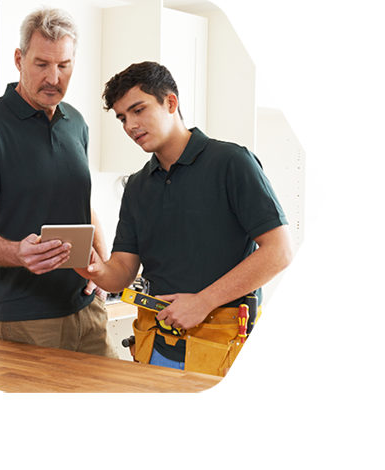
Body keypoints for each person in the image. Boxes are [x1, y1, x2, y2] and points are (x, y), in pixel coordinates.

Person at [75, 61, 292, 374]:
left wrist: (203, 302)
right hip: (155, 344)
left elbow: (279, 252)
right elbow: (122, 270)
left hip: (222, 345)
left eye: (138, 110)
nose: (130, 125)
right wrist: (95, 268)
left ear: (170, 102)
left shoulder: (231, 162)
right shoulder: (137, 184)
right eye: (122, 118)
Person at [0, 7, 118, 358]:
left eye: (64, 65)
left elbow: (82, 201)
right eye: (42, 64)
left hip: (87, 307)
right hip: (28, 318)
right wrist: (18, 252)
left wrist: (103, 266)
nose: (54, 77)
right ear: (19, 59)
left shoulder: (76, 122)